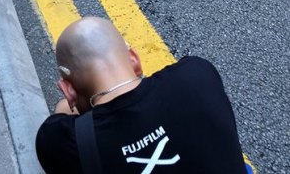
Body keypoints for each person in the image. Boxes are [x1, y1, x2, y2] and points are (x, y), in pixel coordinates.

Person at [36, 16, 249, 173]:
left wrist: (70, 102)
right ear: (135, 60)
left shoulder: (58, 142)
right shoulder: (198, 74)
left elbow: (60, 115)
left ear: (68, 90)